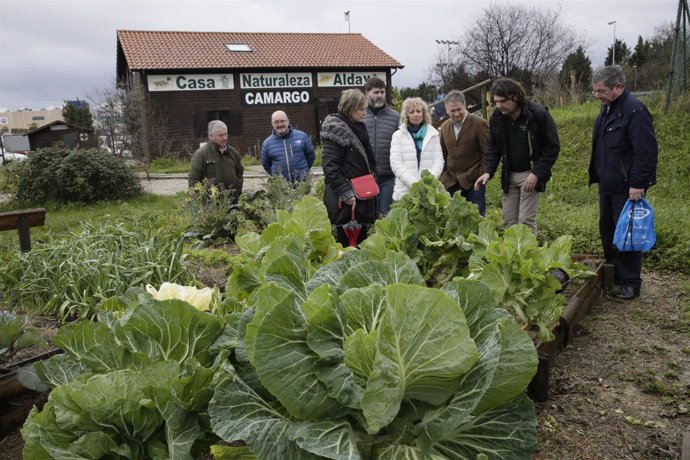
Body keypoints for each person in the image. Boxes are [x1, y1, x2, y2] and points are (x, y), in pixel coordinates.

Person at [590, 65, 658, 300]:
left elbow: (646, 151)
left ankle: (631, 282)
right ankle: (614, 274)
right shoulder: (607, 110)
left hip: (627, 187)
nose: (598, 96)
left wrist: (638, 183)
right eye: (595, 92)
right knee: (608, 231)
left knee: (628, 234)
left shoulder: (634, 111)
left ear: (618, 87)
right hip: (607, 184)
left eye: (602, 91)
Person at [474, 78, 560, 233]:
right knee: (509, 221)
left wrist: (536, 174)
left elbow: (552, 147)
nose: (499, 105)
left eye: (503, 101)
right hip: (509, 175)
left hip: (530, 174)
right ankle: (512, 257)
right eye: (496, 102)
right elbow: (493, 148)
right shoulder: (497, 118)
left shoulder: (538, 114)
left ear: (515, 97)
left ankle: (528, 256)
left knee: (526, 221)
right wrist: (487, 171)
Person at [321, 89, 378, 247]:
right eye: (361, 109)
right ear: (350, 108)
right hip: (346, 200)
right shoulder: (335, 130)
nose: (365, 113)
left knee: (361, 243)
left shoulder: (358, 127)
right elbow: (330, 168)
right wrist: (346, 193)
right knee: (345, 245)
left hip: (361, 195)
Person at [439, 90, 489, 215]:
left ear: (465, 105)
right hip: (451, 182)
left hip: (474, 181)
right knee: (453, 220)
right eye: (452, 111)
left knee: (476, 218)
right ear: (446, 110)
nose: (456, 114)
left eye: (459, 110)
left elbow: (487, 153)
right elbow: (443, 154)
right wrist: (443, 176)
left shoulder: (480, 124)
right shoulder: (444, 127)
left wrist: (482, 174)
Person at [389, 97, 444, 201]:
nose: (416, 115)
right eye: (412, 112)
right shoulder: (398, 135)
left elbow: (439, 161)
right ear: (407, 115)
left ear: (424, 113)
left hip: (429, 191)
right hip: (405, 192)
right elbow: (396, 164)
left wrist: (428, 180)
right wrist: (414, 183)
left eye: (418, 111)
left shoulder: (433, 134)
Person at [363, 76, 399, 216]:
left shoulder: (395, 117)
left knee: (386, 214)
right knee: (368, 214)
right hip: (366, 175)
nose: (380, 96)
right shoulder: (361, 115)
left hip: (388, 175)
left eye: (382, 92)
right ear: (367, 94)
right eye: (376, 92)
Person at [188, 120, 244, 202]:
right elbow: (193, 181)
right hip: (211, 204)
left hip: (232, 200)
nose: (224, 138)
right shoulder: (201, 154)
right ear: (210, 136)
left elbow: (239, 173)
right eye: (220, 135)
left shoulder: (233, 152)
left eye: (226, 134)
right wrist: (201, 200)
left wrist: (237, 192)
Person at [260, 110, 315, 182]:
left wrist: (303, 172)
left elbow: (311, 156)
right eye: (276, 122)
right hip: (280, 187)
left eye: (282, 121)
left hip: (302, 184)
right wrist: (276, 176)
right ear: (272, 124)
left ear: (288, 121)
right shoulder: (267, 143)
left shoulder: (302, 137)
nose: (280, 124)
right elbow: (266, 164)